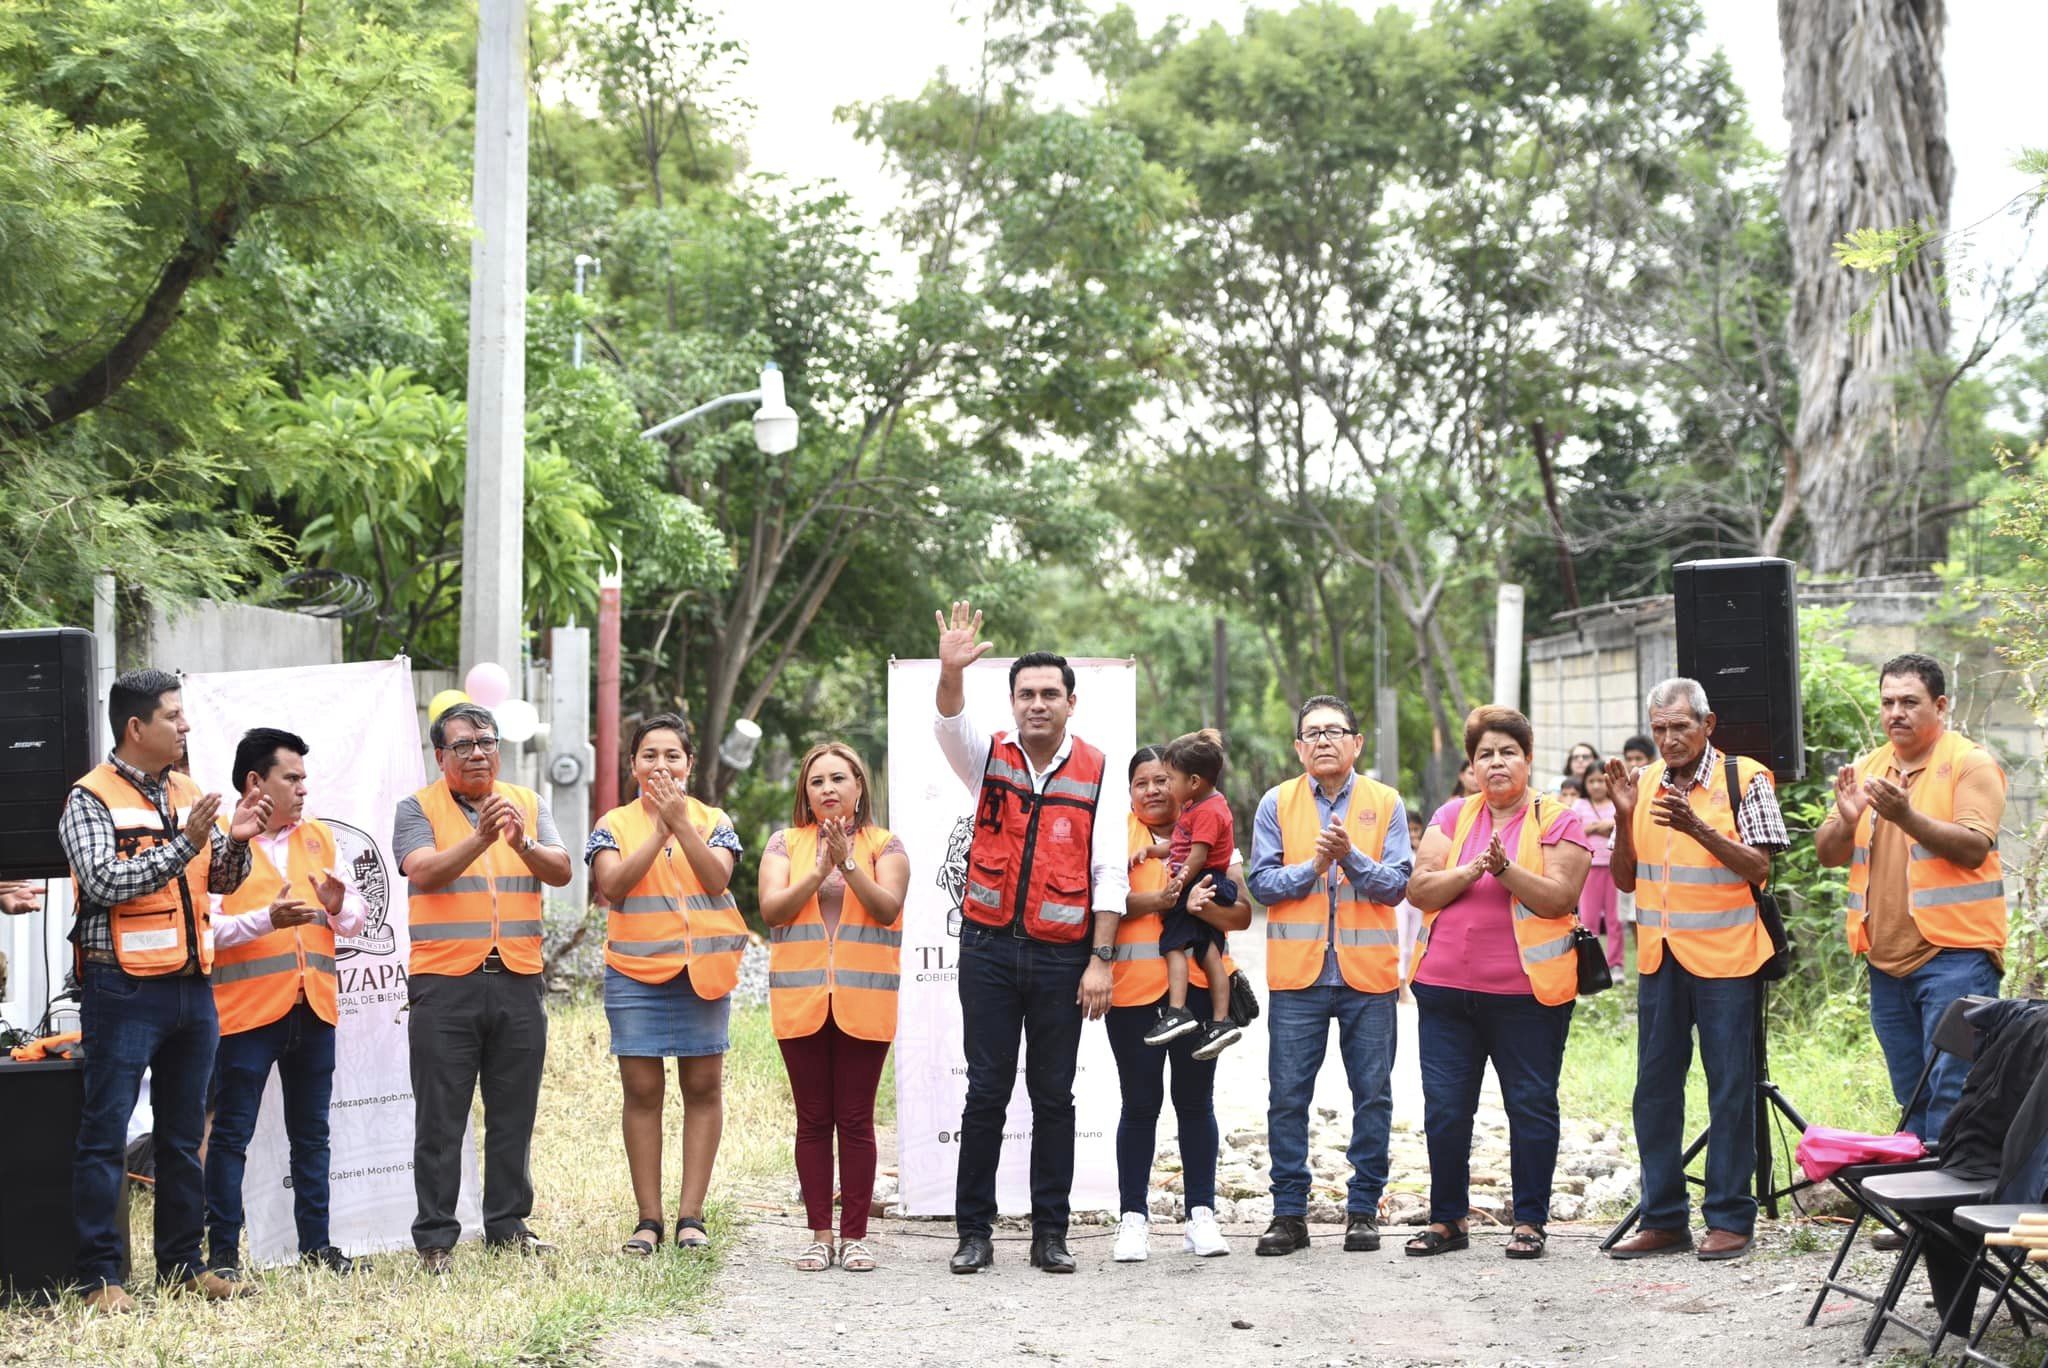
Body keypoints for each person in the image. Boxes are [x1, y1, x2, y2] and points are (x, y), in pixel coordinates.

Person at [61, 669, 269, 1312]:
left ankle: (183, 1265)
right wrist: (187, 841)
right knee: (105, 1135)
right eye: (173, 717)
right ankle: (101, 1278)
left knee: (182, 1136)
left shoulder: (189, 790)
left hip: (191, 987)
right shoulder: (88, 798)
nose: (185, 726)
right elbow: (103, 883)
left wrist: (235, 843)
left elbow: (220, 883)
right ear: (136, 727)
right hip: (121, 989)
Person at [933, 602, 1127, 1275]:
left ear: (1071, 702)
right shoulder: (987, 756)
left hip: (1061, 954)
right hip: (987, 949)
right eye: (1025, 694)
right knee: (985, 1092)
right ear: (1012, 703)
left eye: (1049, 694)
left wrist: (1100, 960)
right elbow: (948, 723)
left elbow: (1109, 872)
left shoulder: (1101, 770)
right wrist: (951, 671)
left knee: (1053, 1097)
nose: (1037, 704)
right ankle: (974, 1233)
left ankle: (1051, 1233)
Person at [1604, 678, 1787, 1263]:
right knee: (1653, 1091)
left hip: (1729, 961)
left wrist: (1698, 828)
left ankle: (1731, 1218)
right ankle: (1663, 1218)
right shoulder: (1646, 783)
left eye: (1679, 727)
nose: (1668, 739)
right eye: (1658, 728)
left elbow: (1759, 868)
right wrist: (1624, 815)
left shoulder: (1746, 779)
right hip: (1660, 961)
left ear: (1708, 725)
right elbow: (1626, 880)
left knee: (1730, 1088)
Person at [1404, 705, 1589, 1261]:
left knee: (1530, 1105)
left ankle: (1529, 1221)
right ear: (1471, 766)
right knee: (1446, 1109)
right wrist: (1473, 869)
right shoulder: (1452, 816)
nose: (1497, 761)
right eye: (1485, 754)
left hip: (1526, 996)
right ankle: (1448, 1219)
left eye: (1508, 751)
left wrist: (1505, 869)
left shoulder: (1557, 819)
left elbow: (1560, 897)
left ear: (1528, 759)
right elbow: (1420, 888)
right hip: (1443, 994)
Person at [395, 701, 572, 1273]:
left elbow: (563, 869)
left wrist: (519, 842)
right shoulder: (415, 807)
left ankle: (508, 1224)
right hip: (444, 983)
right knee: (441, 1115)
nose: (478, 753)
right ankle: (437, 1238)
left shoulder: (528, 802)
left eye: (487, 742)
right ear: (440, 754)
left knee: (513, 1110)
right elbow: (423, 870)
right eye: (464, 745)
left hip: (518, 977)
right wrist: (483, 836)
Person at [1816, 653, 2006, 1145]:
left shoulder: (1970, 763)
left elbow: (1972, 847)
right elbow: (1828, 853)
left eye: (1909, 702)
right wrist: (1845, 818)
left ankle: (1950, 1217)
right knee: (1913, 1094)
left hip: (1957, 958)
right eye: (1887, 702)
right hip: (1886, 961)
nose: (1895, 712)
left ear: (1939, 706)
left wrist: (1906, 815)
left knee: (1954, 1091)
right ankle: (1919, 1217)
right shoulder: (1866, 768)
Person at [1247, 695, 1413, 1258]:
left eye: (1334, 731)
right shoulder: (1277, 803)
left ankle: (1363, 1210)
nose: (1323, 740)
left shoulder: (1385, 802)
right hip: (1299, 978)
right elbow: (1261, 885)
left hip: (1368, 977)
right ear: (1298, 747)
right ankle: (1288, 1215)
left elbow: (1396, 885)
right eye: (1312, 732)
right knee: (1287, 1098)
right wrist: (1315, 867)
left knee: (1373, 1096)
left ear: (1356, 743)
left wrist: (1351, 859)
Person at [204, 728, 368, 1280]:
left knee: (313, 1135)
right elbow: (204, 932)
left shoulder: (319, 837)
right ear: (257, 782)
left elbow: (354, 920)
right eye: (291, 777)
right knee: (231, 1137)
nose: (303, 788)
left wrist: (341, 909)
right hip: (246, 1014)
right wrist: (262, 921)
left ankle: (317, 1248)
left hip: (313, 1009)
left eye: (304, 778)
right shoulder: (218, 844)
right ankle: (223, 1258)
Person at [588, 714, 749, 1256]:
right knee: (642, 1092)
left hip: (701, 973)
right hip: (634, 973)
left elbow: (717, 878)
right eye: (650, 755)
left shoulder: (713, 818)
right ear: (633, 765)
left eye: (672, 755)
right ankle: (648, 1220)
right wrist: (658, 828)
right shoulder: (613, 823)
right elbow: (612, 885)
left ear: (689, 763)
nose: (661, 765)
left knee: (703, 1089)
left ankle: (691, 1217)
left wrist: (681, 824)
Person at [759, 741, 910, 1274]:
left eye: (839, 779)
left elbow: (887, 907)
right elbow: (773, 910)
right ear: (806, 790)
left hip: (863, 1003)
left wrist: (846, 863)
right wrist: (816, 867)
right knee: (813, 1120)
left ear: (859, 787)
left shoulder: (885, 845)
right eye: (817, 780)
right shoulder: (784, 844)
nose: (827, 789)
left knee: (856, 1119)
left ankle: (856, 1237)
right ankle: (819, 1235)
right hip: (800, 1001)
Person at [1109, 746, 1253, 1262]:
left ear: (1182, 784)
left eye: (1160, 780)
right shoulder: (1112, 834)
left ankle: (1201, 1216)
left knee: (1195, 1104)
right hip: (1130, 994)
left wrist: (1201, 906)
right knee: (1139, 1104)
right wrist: (1162, 902)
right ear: (1129, 791)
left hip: (1194, 994)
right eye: (1141, 782)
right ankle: (1133, 1219)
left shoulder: (1207, 832)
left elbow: (1241, 917)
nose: (1152, 790)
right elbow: (1097, 902)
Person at [1138, 729, 1242, 1059]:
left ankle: (1178, 1011)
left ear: (1194, 781)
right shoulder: (1199, 805)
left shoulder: (1208, 811)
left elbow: (1196, 856)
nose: (1165, 787)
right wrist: (1155, 852)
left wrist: (1178, 885)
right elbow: (1182, 844)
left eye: (1169, 779)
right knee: (1208, 952)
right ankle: (1220, 1021)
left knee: (1173, 945)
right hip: (1205, 881)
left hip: (1203, 882)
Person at [1572, 765, 1623, 972]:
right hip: (1588, 868)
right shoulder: (1579, 804)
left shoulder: (1616, 803)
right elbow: (1574, 830)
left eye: (1600, 780)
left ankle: (1615, 964)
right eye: (1591, 781)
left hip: (1613, 867)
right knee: (1589, 918)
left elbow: (1621, 827)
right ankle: (1592, 965)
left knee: (1615, 919)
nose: (1596, 785)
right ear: (1585, 783)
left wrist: (1607, 826)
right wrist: (1597, 827)